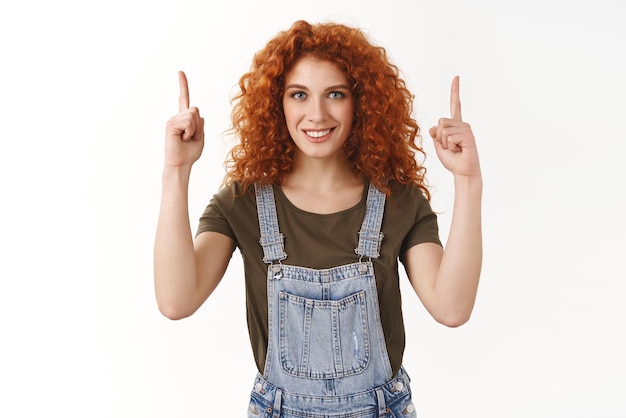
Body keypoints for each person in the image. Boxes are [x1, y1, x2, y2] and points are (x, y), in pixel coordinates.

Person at [154, 20, 482, 417]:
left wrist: (468, 182)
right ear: (277, 103)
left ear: (361, 101)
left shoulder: (398, 202)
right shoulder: (241, 203)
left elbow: (452, 308)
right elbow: (175, 300)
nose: (317, 113)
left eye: (335, 94)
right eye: (299, 95)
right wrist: (176, 171)